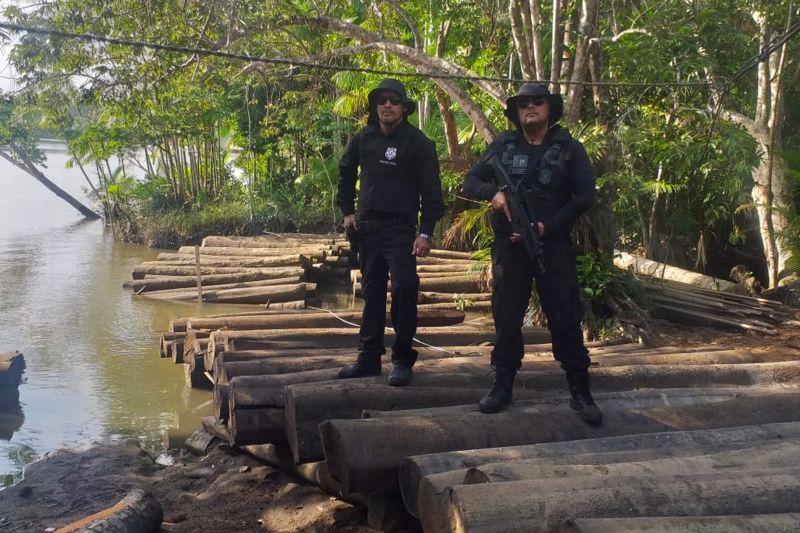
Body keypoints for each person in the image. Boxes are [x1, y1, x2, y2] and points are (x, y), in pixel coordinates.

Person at [462, 82, 602, 424]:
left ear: (549, 108)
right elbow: (469, 182)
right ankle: (503, 384)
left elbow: (584, 197)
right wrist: (493, 194)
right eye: (524, 103)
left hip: (550, 246)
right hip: (510, 249)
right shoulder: (503, 146)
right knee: (507, 319)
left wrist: (547, 227)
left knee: (564, 317)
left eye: (537, 102)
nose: (530, 108)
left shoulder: (569, 148)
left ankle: (580, 389)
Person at [336, 78, 445, 386]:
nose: (387, 105)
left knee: (405, 288)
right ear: (375, 107)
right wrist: (347, 212)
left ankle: (401, 358)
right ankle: (368, 359)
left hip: (401, 231)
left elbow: (432, 192)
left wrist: (425, 233)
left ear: (403, 107)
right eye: (381, 100)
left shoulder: (418, 142)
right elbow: (345, 171)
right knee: (371, 295)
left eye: (393, 101)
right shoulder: (363, 139)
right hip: (368, 229)